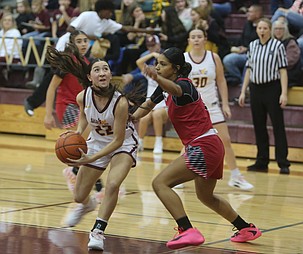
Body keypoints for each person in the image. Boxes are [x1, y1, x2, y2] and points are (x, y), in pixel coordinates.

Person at [132, 47, 262, 250]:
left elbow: (175, 90)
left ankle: (186, 229)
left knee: (160, 184)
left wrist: (157, 78)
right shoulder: (166, 87)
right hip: (210, 144)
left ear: (175, 69)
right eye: (157, 63)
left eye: (163, 64)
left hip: (203, 145)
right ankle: (245, 228)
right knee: (205, 196)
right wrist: (129, 118)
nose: (157, 66)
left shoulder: (184, 86)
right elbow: (147, 106)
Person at [46, 43, 140, 251]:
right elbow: (84, 120)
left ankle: (98, 230)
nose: (102, 72)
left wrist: (88, 159)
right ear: (90, 77)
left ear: (109, 74)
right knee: (79, 196)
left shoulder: (120, 102)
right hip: (97, 143)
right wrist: (75, 135)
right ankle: (88, 205)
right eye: (97, 70)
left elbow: (116, 141)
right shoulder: (83, 97)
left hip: (122, 145)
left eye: (105, 68)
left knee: (113, 184)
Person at [184, 27, 253, 190]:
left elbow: (221, 81)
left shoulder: (213, 57)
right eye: (193, 37)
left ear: (205, 39)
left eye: (199, 37)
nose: (196, 40)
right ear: (188, 41)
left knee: (225, 140)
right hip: (193, 109)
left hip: (212, 106)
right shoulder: (184, 59)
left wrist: (225, 103)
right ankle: (179, 178)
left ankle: (235, 176)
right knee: (190, 145)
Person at [44, 30, 104, 201]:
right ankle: (78, 174)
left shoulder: (87, 62)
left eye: (86, 40)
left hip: (82, 106)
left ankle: (86, 179)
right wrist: (48, 114)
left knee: (90, 145)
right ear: (72, 43)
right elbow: (51, 88)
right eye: (79, 41)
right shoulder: (67, 62)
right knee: (83, 143)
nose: (84, 44)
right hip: (67, 105)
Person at [238, 18, 291, 175]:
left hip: (272, 88)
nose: (262, 30)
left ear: (270, 30)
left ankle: (283, 162)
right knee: (259, 126)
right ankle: (262, 161)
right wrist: (243, 91)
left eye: (265, 28)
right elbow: (248, 69)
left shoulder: (278, 46)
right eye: (259, 28)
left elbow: (283, 71)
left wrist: (284, 93)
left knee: (277, 126)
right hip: (255, 89)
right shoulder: (253, 45)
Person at [136, 35, 168, 154]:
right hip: (152, 105)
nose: (157, 66)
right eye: (149, 46)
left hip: (165, 106)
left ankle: (158, 142)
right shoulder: (150, 72)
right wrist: (152, 54)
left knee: (157, 115)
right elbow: (138, 62)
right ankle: (140, 142)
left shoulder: (167, 74)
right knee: (144, 117)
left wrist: (158, 55)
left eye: (154, 45)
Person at [223, 4, 263, 86]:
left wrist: (247, 49)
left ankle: (243, 86)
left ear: (258, 14)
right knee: (228, 60)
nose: (247, 13)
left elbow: (262, 43)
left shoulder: (263, 27)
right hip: (243, 53)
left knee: (249, 63)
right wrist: (239, 47)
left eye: (250, 12)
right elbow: (242, 38)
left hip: (256, 55)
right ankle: (238, 79)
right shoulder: (247, 24)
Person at [272, 20, 302, 87]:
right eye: (276, 29)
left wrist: (273, 65)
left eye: (280, 29)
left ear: (285, 30)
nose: (278, 31)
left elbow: (290, 61)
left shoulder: (291, 42)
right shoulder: (271, 42)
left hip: (288, 74)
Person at [0, 13, 23, 86]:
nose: (7, 22)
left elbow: (15, 49)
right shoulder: (0, 32)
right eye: (5, 20)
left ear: (13, 23)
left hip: (12, 56)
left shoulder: (15, 33)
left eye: (9, 20)